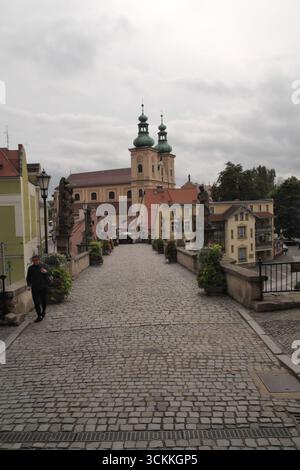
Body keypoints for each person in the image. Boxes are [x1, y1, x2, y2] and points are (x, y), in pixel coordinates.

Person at [26, 255, 49, 323]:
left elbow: (49, 274)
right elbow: (28, 277)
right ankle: (39, 316)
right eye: (33, 260)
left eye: (36, 260)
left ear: (39, 260)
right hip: (35, 288)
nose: (35, 262)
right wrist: (28, 285)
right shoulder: (30, 268)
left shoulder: (44, 266)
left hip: (43, 287)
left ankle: (43, 311)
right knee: (36, 302)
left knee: (43, 301)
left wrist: (45, 272)